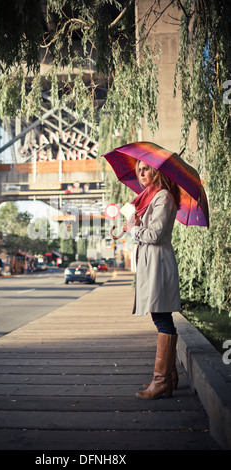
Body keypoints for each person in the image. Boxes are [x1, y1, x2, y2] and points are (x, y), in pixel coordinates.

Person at [123, 160, 181, 400]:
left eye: (146, 168)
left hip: (158, 262)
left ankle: (162, 381)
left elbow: (154, 235)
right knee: (160, 315)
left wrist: (132, 229)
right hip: (151, 262)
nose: (141, 173)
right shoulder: (150, 198)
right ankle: (169, 376)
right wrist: (135, 224)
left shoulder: (163, 197)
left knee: (161, 315)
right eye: (139, 170)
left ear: (156, 171)